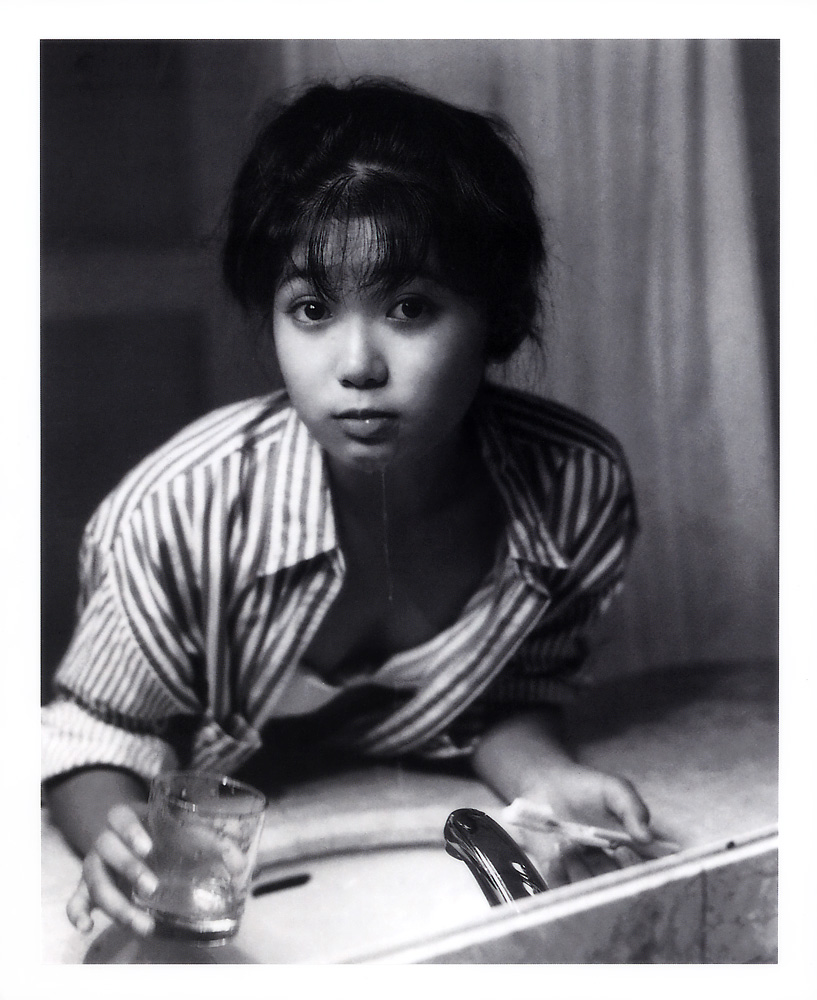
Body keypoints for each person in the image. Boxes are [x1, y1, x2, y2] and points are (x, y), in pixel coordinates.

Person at [42, 78, 654, 938]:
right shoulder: (178, 510)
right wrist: (122, 841)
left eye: (410, 307)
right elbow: (91, 739)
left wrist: (543, 776)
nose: (357, 363)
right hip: (216, 874)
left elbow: (508, 694)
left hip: (406, 845)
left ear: (499, 315)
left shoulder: (575, 489)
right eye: (312, 309)